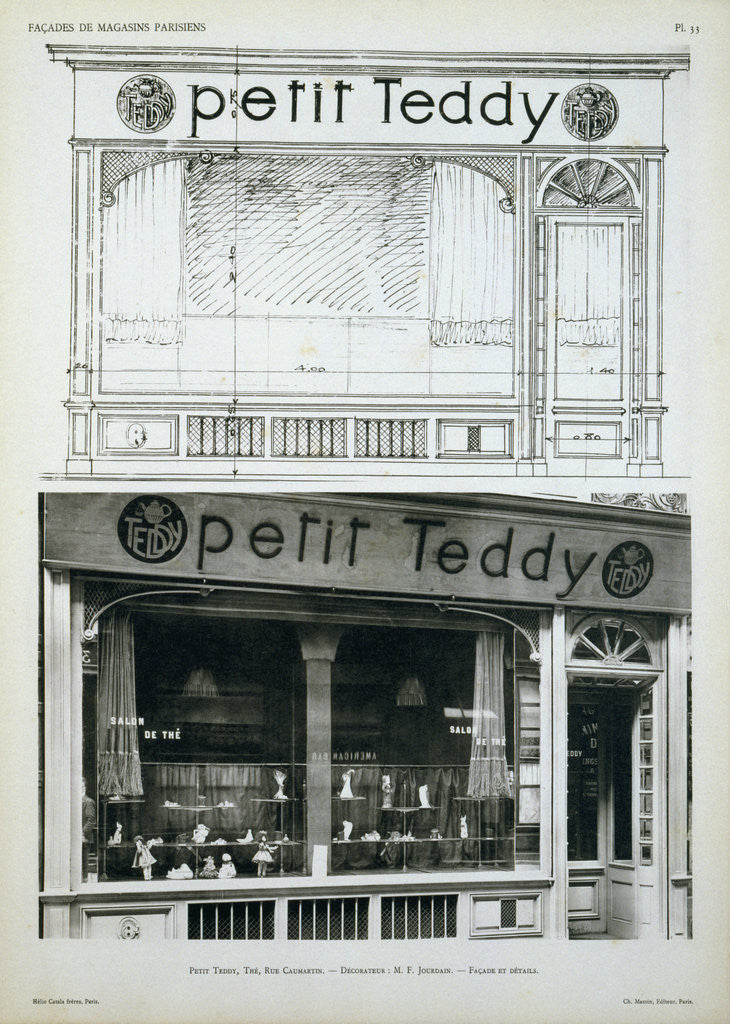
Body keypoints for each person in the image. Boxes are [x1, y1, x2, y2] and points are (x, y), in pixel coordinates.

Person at [81, 778, 96, 880]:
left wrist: (81, 832)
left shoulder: (88, 802)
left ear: (84, 788)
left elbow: (91, 821)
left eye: (81, 786)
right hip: (77, 837)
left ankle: (85, 880)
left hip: (84, 837)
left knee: (83, 863)